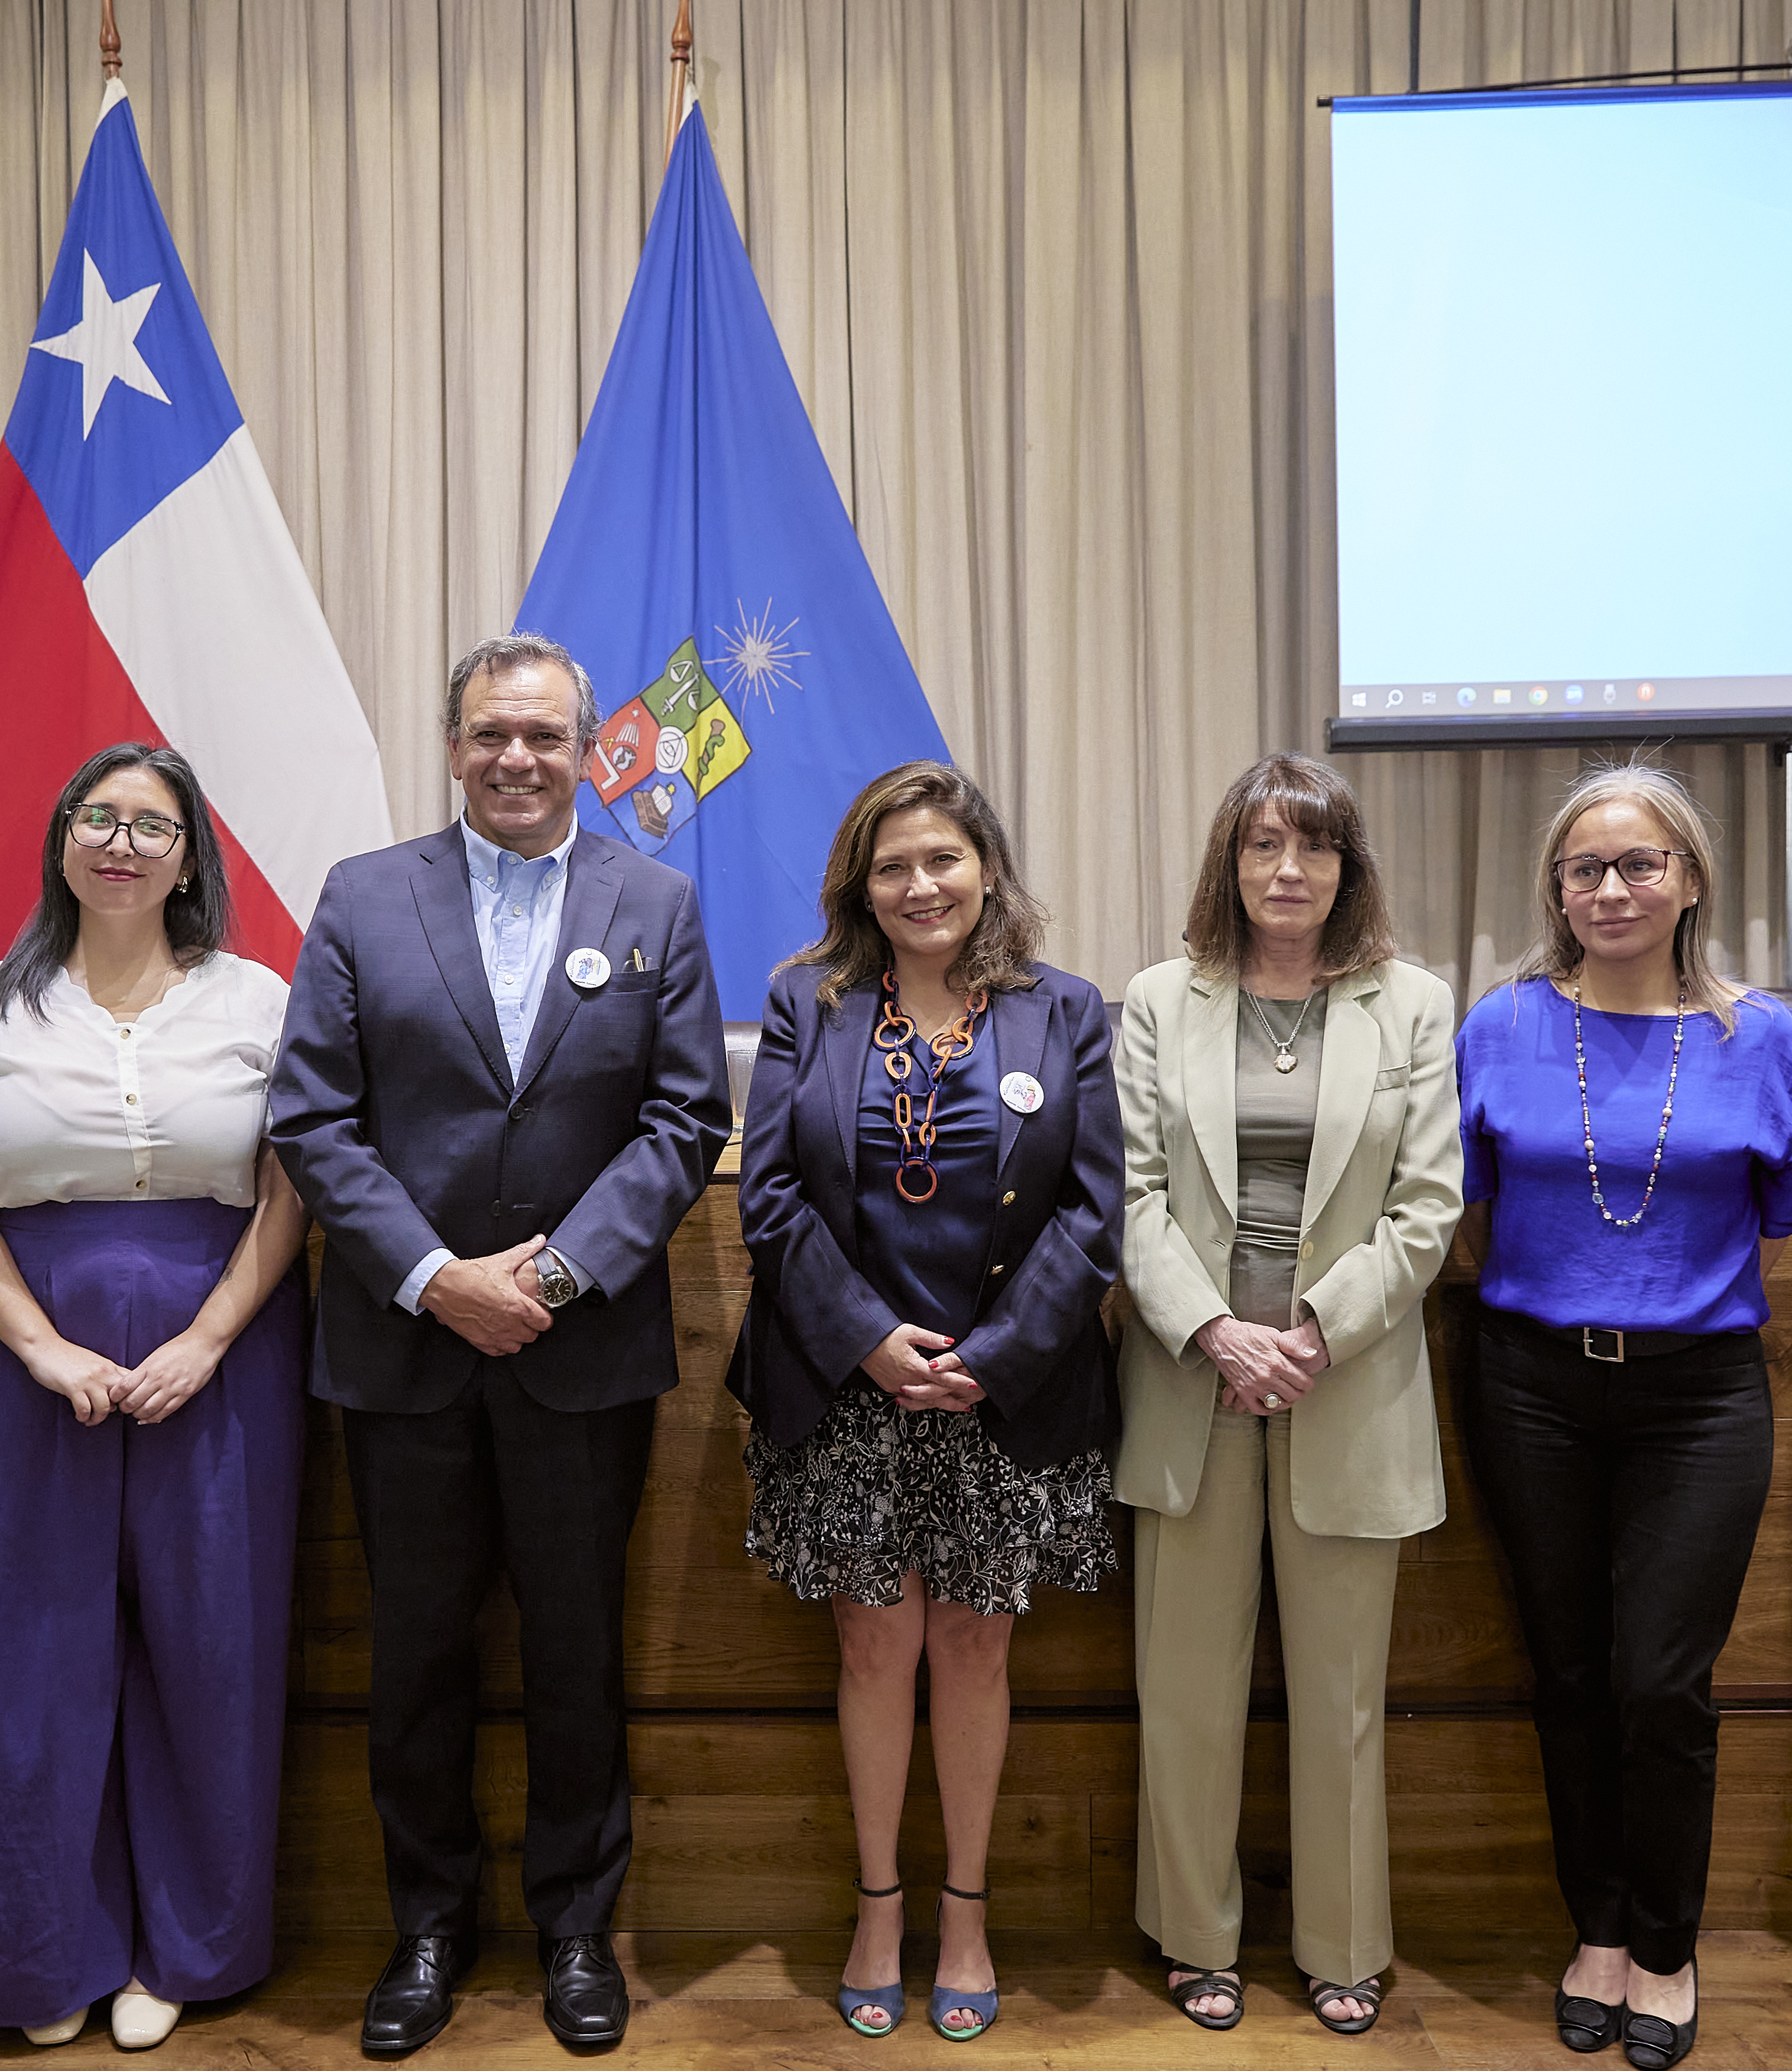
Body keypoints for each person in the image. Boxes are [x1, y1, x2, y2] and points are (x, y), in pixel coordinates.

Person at [268, 633, 731, 2056]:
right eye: (489, 735)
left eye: (542, 736)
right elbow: (312, 1121)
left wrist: (557, 1268)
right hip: (404, 1350)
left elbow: (683, 1118)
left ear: (588, 748)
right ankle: (426, 1926)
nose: (515, 760)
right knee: (413, 1655)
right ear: (452, 744)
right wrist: (430, 1276)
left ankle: (576, 1929)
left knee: (577, 1652)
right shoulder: (360, 898)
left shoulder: (655, 898)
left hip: (580, 1352)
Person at [0, 745, 307, 2052]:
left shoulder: (259, 998)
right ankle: (39, 1958)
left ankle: (188, 1951)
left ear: (190, 855)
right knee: (26, 1658)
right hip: (17, 1353)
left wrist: (205, 1337)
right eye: (100, 817)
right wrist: (37, 1348)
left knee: (212, 1652)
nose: (124, 842)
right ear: (62, 842)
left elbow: (292, 1188)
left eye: (153, 824)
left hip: (224, 1344)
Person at [1451, 761, 1792, 2071]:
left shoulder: (1755, 1033)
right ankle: (1597, 1932)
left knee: (1659, 1684)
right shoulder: (1499, 1022)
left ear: (1688, 882)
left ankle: (1666, 1949)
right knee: (1565, 1675)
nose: (1610, 889)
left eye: (1637, 865)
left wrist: (1667, 1304)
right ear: (1554, 892)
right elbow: (1459, 1205)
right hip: (1528, 1388)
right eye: (1584, 869)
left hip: (1696, 1400)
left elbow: (1780, 1226)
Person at [726, 761, 1123, 2044]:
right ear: (860, 883)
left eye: (941, 860)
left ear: (986, 869)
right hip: (849, 1395)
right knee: (870, 1649)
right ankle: (879, 1906)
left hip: (1003, 1393)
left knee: (974, 1646)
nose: (918, 886)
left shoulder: (1063, 1012)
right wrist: (867, 1343)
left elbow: (1095, 1208)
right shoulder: (808, 1004)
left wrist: (994, 1355)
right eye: (891, 866)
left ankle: (963, 1911)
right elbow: (770, 1197)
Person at [1112, 754, 1462, 2040]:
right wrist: (1216, 1330)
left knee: (1343, 1695)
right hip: (1189, 1381)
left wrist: (1312, 1328)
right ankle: (1194, 1935)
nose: (1285, 871)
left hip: (1345, 1380)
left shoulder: (1409, 1004)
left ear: (1345, 868)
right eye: (1261, 847)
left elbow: (1427, 1207)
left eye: (1310, 849)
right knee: (1186, 1688)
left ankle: (1344, 1944)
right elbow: (1132, 1198)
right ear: (1228, 863)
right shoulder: (1160, 999)